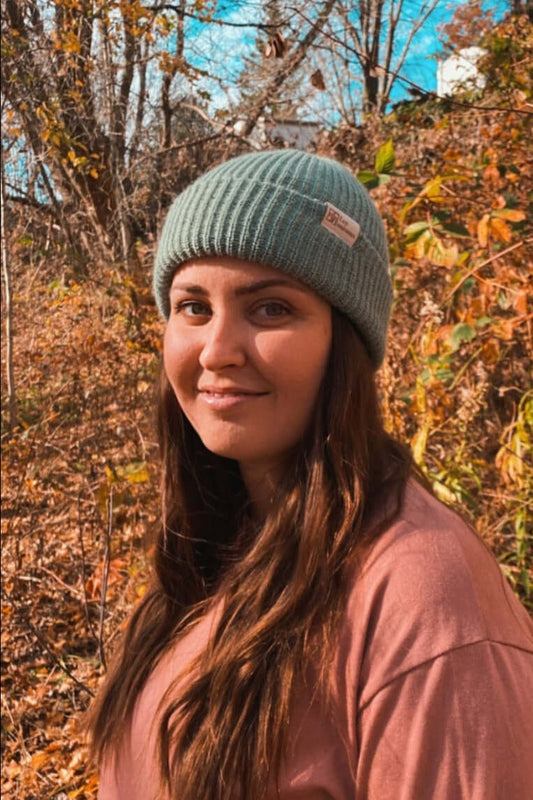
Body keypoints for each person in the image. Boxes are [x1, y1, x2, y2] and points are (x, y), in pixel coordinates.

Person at [88, 149, 533, 800]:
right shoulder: (208, 555)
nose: (216, 350)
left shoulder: (422, 597)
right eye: (193, 307)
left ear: (342, 340)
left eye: (270, 309)